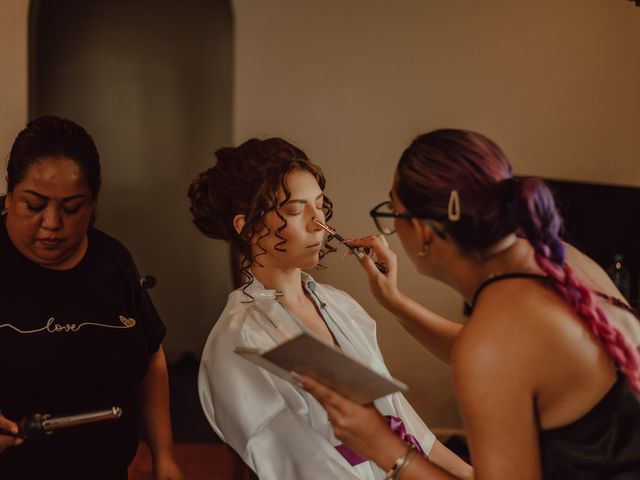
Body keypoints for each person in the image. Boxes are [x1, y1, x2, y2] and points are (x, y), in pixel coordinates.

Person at [300, 128, 640, 480]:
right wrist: (395, 302)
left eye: (393, 213)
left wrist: (384, 447)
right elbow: (513, 359)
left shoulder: (493, 341)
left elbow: (492, 356)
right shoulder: (559, 259)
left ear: (423, 231)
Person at [188, 138, 472, 480]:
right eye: (295, 210)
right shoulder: (239, 340)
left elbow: (408, 430)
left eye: (320, 206)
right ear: (246, 226)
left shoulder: (341, 306)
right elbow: (304, 467)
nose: (318, 224)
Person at [0, 116, 182, 480]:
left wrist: (164, 456)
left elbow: (150, 355)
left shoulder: (113, 260)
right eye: (34, 205)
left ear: (94, 202)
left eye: (71, 208)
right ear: (9, 192)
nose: (52, 223)